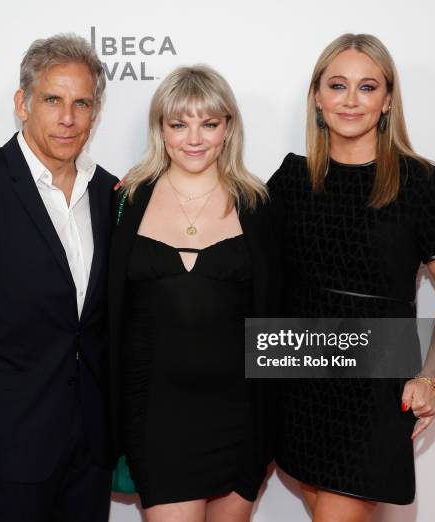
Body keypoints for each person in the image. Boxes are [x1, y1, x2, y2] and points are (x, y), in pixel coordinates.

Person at [267, 34, 435, 521]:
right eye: (337, 85)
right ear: (317, 96)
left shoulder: (419, 182)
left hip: (374, 384)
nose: (351, 100)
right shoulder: (291, 181)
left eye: (367, 87)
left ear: (387, 101)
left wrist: (431, 378)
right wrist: (151, 185)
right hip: (299, 378)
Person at [0, 33, 117, 522]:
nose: (68, 118)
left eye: (81, 103)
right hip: (5, 449)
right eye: (53, 99)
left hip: (91, 448)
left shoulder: (111, 194)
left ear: (96, 112)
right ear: (23, 103)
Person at [108, 65, 280, 522]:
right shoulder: (126, 200)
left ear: (228, 129)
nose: (194, 138)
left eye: (209, 123)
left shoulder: (257, 203)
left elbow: (278, 310)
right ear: (160, 130)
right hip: (156, 417)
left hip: (240, 417)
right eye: (178, 124)